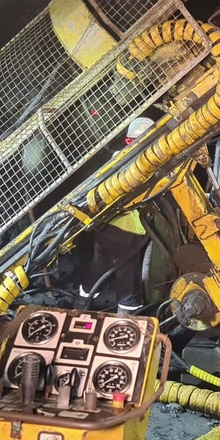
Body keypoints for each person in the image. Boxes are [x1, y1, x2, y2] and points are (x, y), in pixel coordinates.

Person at [79, 117, 155, 314]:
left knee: (100, 266)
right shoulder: (142, 165)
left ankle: (81, 306)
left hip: (104, 226)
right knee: (127, 277)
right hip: (126, 230)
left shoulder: (116, 159)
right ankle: (126, 318)